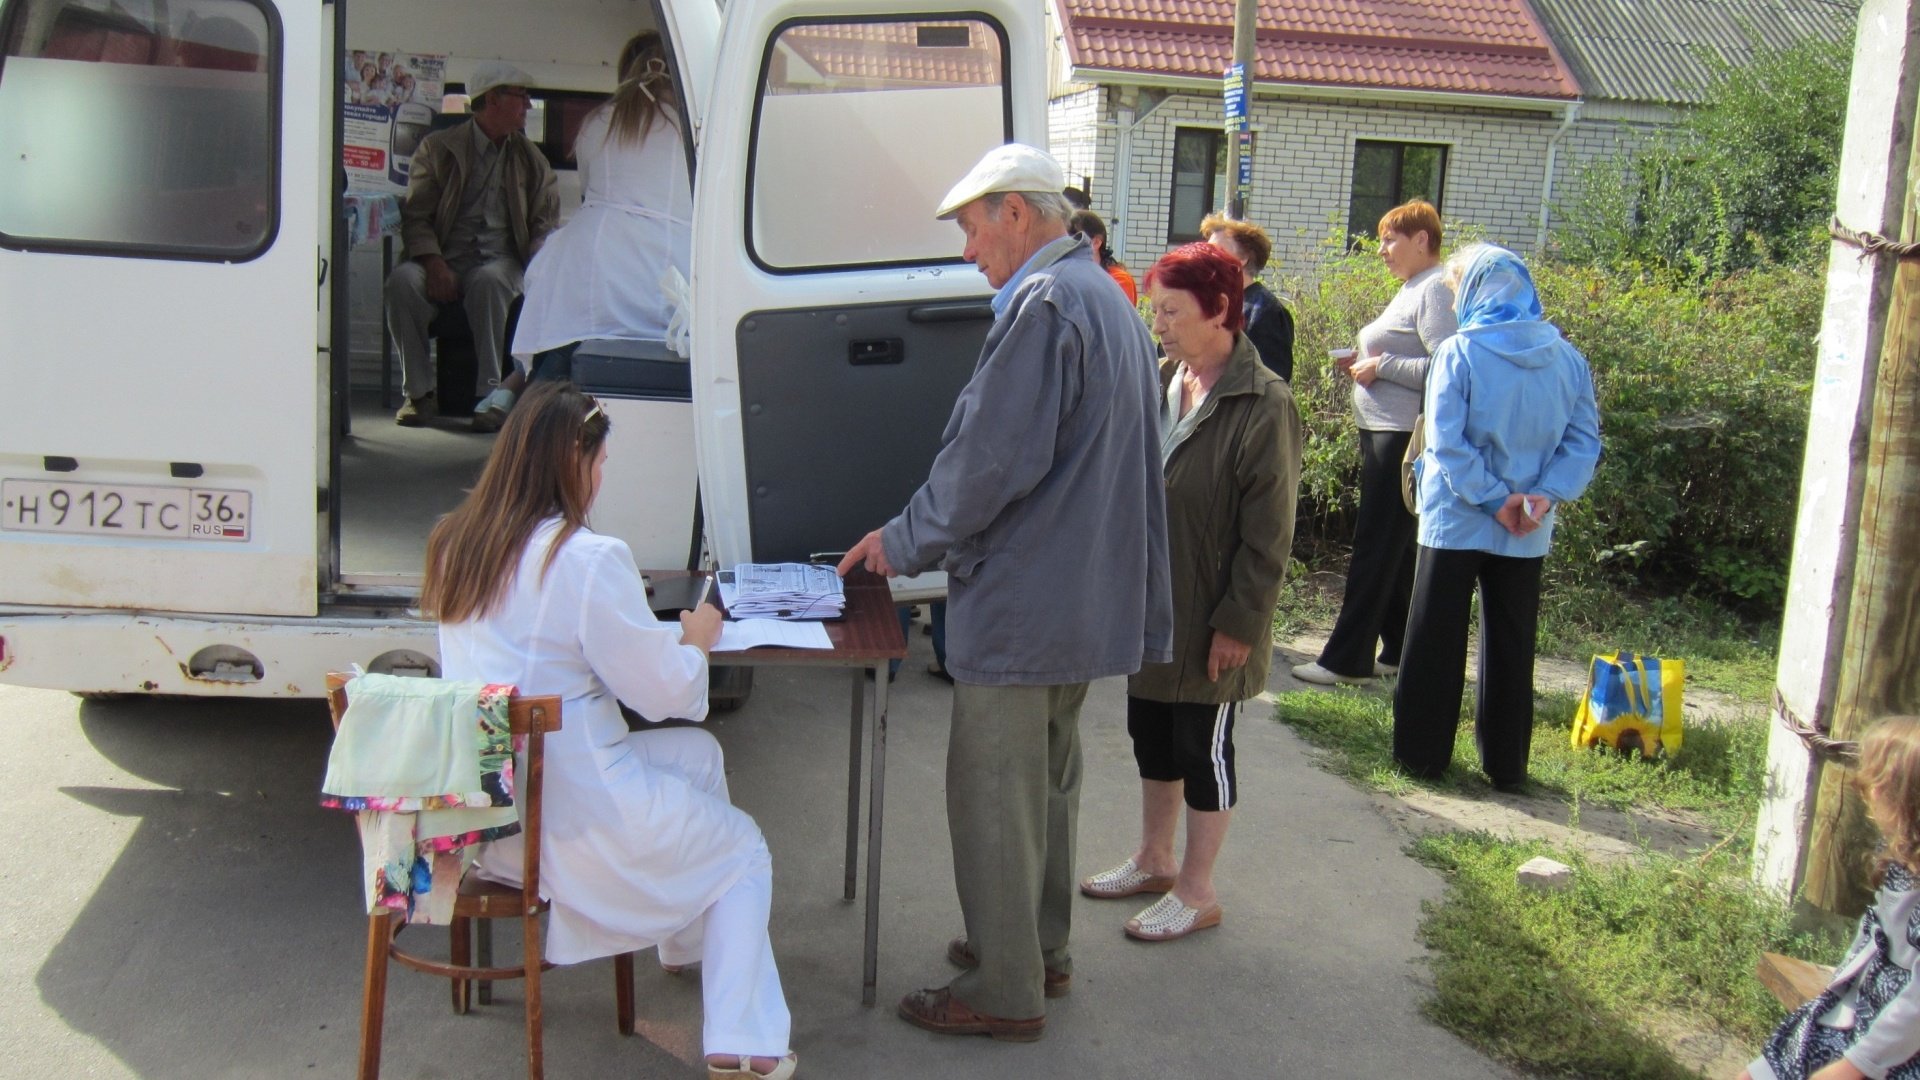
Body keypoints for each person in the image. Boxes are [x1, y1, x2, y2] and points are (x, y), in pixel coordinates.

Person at [837, 143, 1172, 1041]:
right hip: (1082, 598)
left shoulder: (1045, 304)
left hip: (1027, 604)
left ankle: (1003, 988)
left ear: (1017, 215)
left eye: (971, 229)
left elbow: (988, 463)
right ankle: (1037, 950)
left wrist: (898, 542)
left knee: (993, 793)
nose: (966, 250)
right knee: (1045, 788)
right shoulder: (1104, 297)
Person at [421, 382, 797, 1080]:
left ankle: (686, 941)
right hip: (577, 820)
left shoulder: (455, 544)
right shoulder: (586, 558)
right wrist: (698, 640)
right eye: (598, 462)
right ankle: (744, 1044)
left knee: (698, 757)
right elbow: (668, 695)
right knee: (745, 850)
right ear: (572, 459)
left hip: (494, 819)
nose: (601, 477)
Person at [1080, 243, 1300, 942]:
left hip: (1213, 617)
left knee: (1202, 748)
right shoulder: (1168, 380)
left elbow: (1270, 536)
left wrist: (1238, 623)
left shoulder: (1263, 405)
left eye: (1172, 312)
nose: (1160, 325)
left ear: (1221, 311)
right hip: (1156, 604)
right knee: (1150, 735)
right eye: (1157, 311)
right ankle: (1154, 860)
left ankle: (1199, 890)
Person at [1391, 244, 1600, 790]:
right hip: (1528, 524)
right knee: (1512, 643)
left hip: (1458, 516)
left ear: (1474, 291)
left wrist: (1491, 498)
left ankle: (1422, 757)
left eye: (1458, 291)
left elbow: (1447, 441)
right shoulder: (1568, 358)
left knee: (1435, 637)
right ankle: (1506, 765)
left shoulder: (1459, 352)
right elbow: (1583, 441)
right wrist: (1542, 496)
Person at [1294, 199, 1457, 687]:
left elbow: (1449, 367)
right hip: (1385, 432)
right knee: (1397, 550)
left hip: (1402, 439)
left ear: (1422, 240)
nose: (1382, 250)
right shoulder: (1413, 287)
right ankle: (1399, 649)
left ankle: (1346, 659)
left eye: (1390, 240)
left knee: (1375, 545)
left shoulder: (1434, 289)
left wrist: (1380, 366)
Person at [1742, 715, 1920, 1080]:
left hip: (1896, 1044)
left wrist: (1857, 1065)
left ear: (1902, 796)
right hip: (1861, 1005)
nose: (1864, 790)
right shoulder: (1901, 855)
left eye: (1874, 782)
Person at [385, 61, 558, 430]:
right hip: (442, 256)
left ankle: (490, 396)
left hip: (501, 261)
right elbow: (416, 215)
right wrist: (433, 263)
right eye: (521, 96)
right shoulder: (438, 149)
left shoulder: (531, 159)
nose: (527, 105)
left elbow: (544, 221)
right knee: (401, 281)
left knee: (490, 281)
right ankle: (417, 395)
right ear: (492, 99)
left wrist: (542, 263)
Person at [511, 32, 691, 384]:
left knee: (560, 356)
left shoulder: (598, 121)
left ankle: (519, 410)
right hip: (667, 265)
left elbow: (589, 191)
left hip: (592, 261)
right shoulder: (691, 127)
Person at [1200, 213, 1293, 382]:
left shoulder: (1266, 312)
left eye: (1216, 251)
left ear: (1243, 258)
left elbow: (1271, 384)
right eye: (1207, 251)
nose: (1207, 258)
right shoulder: (1218, 304)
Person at [1068, 208, 1136, 303]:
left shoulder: (1119, 279)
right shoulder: (1066, 275)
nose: (1067, 248)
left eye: (1076, 240)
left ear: (1096, 242)